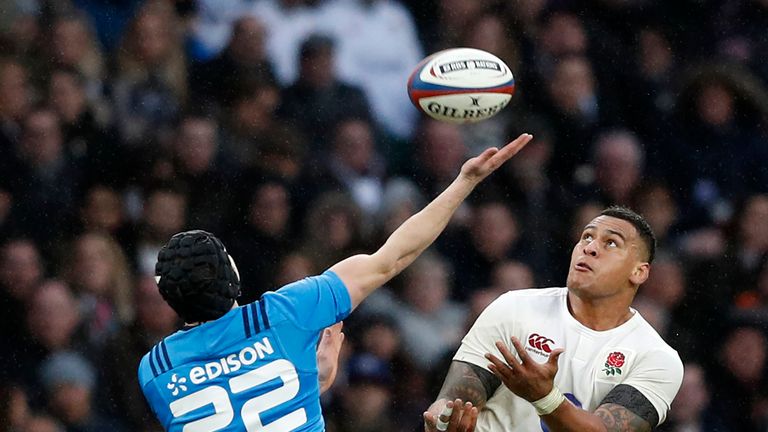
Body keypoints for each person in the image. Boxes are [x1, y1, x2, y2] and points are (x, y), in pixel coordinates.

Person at [137, 133, 534, 431]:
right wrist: (464, 181)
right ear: (233, 276)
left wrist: (310, 382)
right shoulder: (288, 311)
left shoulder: (155, 370)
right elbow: (394, 256)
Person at [424, 206, 684, 432]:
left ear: (639, 272)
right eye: (586, 237)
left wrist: (543, 396)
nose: (590, 248)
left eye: (611, 243)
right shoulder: (514, 307)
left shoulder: (657, 357)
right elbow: (457, 397)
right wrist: (443, 418)